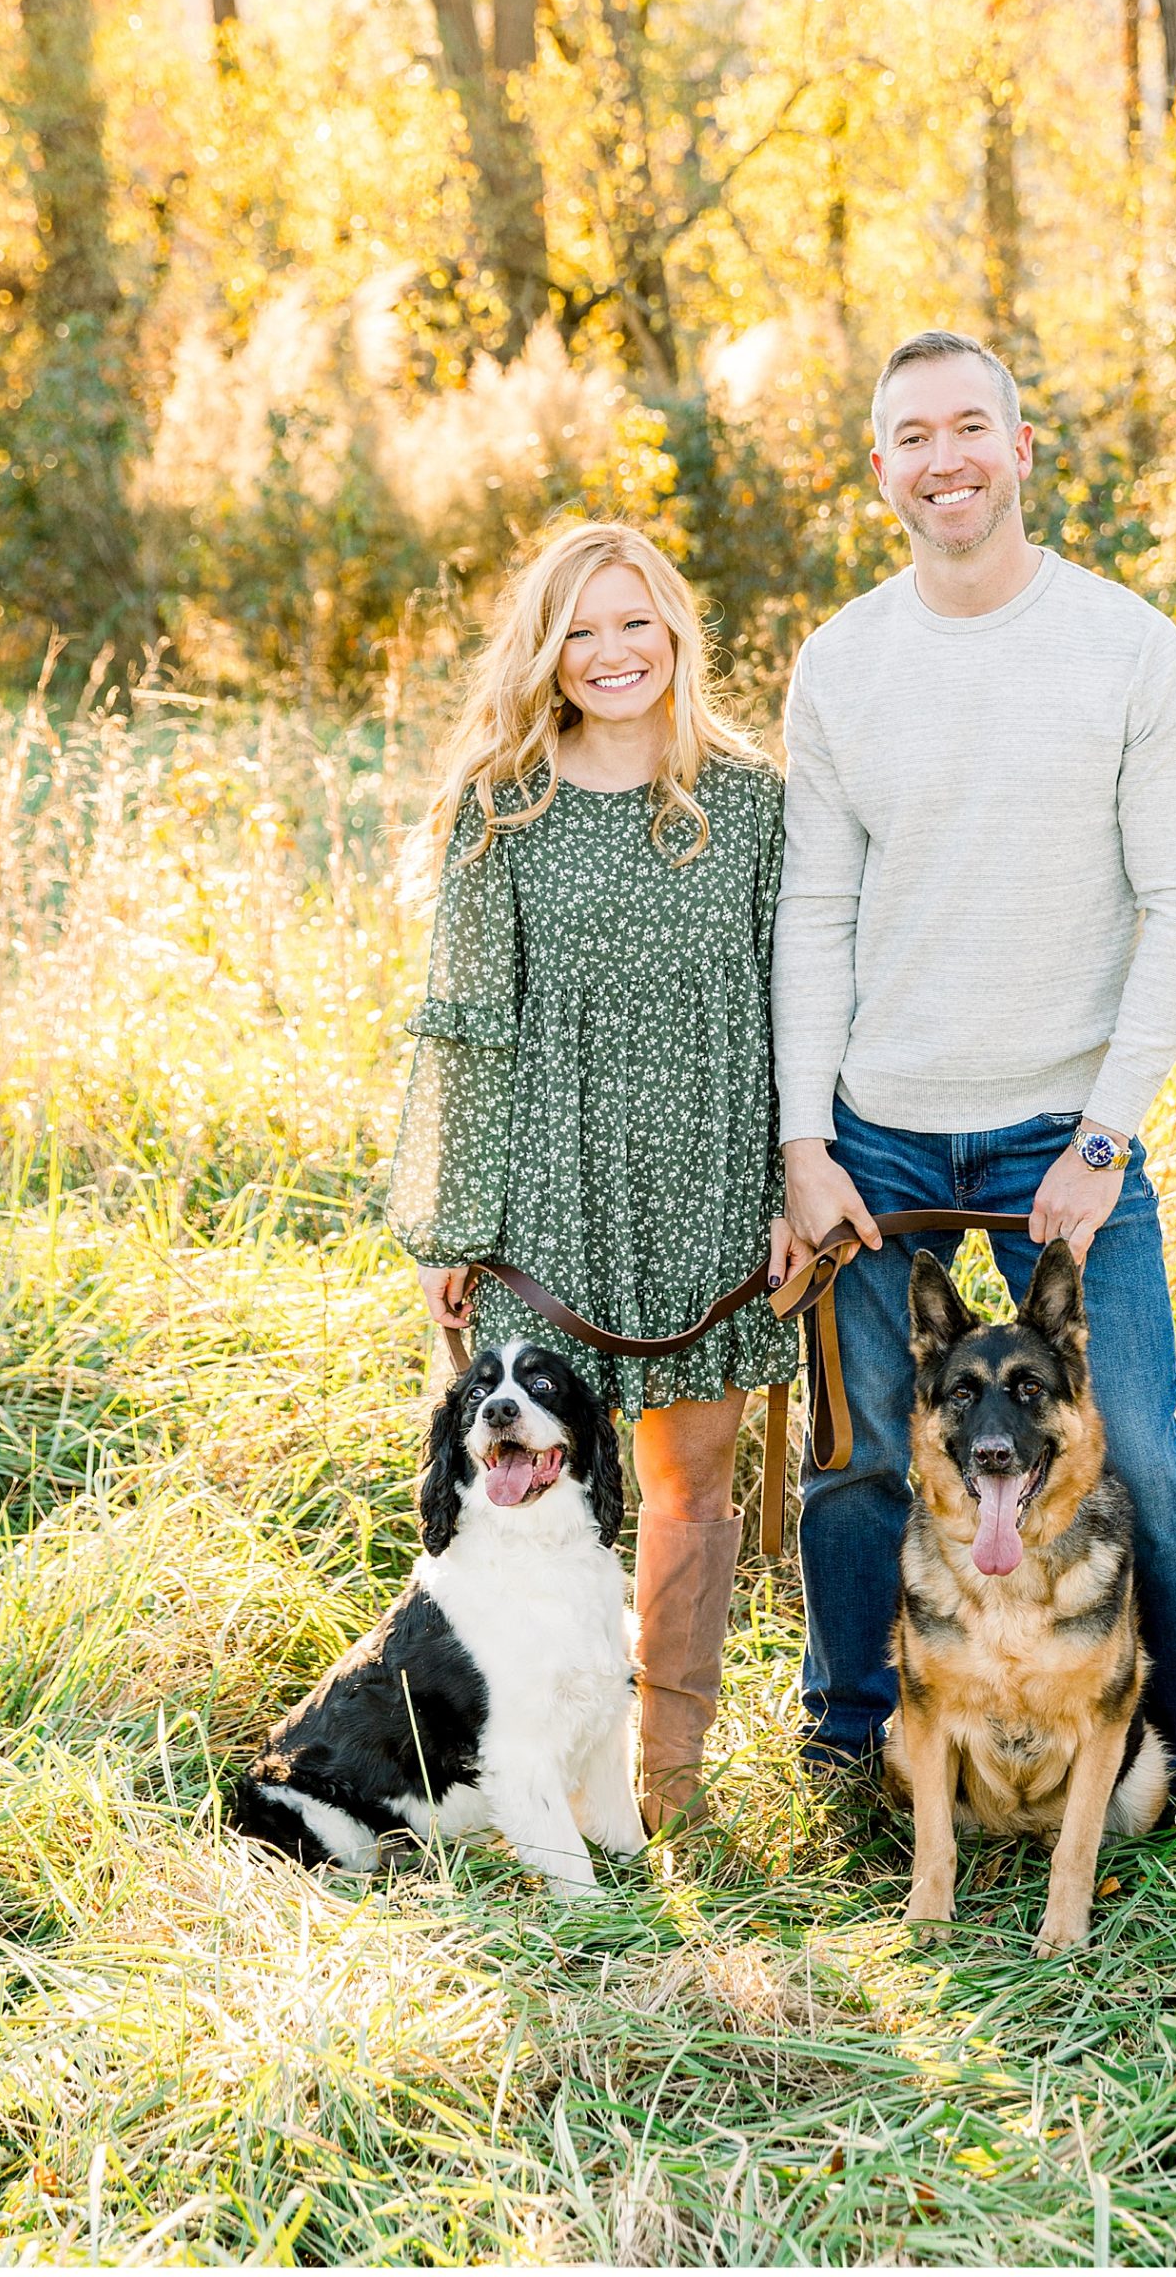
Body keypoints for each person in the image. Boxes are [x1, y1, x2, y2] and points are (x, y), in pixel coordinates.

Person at [769, 330, 1176, 1808]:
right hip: (878, 1136)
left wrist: (1103, 1142)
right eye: (912, 437)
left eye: (970, 427)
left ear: (1021, 448)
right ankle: (862, 1738)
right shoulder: (842, 661)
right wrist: (804, 1142)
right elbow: (814, 911)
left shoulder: (1128, 649)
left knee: (1138, 1456)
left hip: (1062, 1129)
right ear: (880, 469)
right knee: (861, 1463)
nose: (945, 460)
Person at [386, 520, 797, 1833]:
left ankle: (663, 1792)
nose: (612, 652)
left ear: (675, 630)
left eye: (634, 622)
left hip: (710, 1187)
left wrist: (793, 1190)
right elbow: (465, 1026)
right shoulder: (502, 807)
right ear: (545, 652)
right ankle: (533, 1778)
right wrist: (457, 1223)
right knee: (526, 1499)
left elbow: (800, 1004)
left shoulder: (752, 802)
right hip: (543, 1194)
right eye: (580, 629)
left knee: (689, 1494)